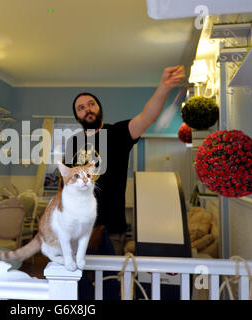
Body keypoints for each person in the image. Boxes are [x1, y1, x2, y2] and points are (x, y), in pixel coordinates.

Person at [65, 65, 185, 255]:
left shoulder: (118, 133)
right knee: (77, 282)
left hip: (110, 229)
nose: (87, 109)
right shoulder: (73, 143)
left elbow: (148, 116)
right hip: (76, 229)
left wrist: (164, 86)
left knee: (112, 282)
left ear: (99, 109)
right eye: (81, 108)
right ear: (77, 117)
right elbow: (65, 185)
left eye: (91, 104)